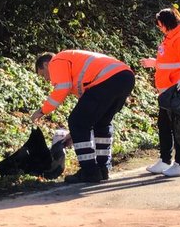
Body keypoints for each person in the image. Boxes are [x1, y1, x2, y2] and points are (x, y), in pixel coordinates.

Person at [31, 50, 136, 183]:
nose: (46, 79)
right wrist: (75, 133)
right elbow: (88, 115)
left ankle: (90, 171)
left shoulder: (56, 61)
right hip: (125, 77)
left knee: (77, 122)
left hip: (108, 80)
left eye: (43, 74)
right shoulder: (77, 65)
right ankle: (102, 169)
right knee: (101, 123)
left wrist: (42, 111)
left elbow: (62, 88)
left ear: (46, 64)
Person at [141, 7, 180, 177]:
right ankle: (165, 160)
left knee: (178, 126)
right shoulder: (171, 36)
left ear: (167, 23)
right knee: (164, 124)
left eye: (160, 25)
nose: (159, 28)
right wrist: (154, 63)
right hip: (171, 90)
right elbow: (171, 60)